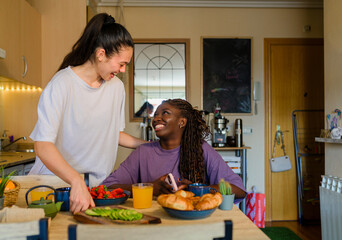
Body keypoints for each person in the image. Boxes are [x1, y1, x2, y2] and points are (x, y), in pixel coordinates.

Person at [28, 13, 146, 213]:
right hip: (56, 187)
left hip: (95, 189)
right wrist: (75, 180)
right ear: (101, 54)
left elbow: (112, 133)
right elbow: (42, 145)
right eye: (122, 64)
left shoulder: (116, 87)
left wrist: (150, 146)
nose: (123, 70)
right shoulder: (62, 83)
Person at [102, 99, 247, 201]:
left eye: (165, 113)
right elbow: (107, 188)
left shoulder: (201, 149)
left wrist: (198, 190)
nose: (157, 118)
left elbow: (238, 190)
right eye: (156, 114)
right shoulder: (143, 152)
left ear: (182, 122)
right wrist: (150, 188)